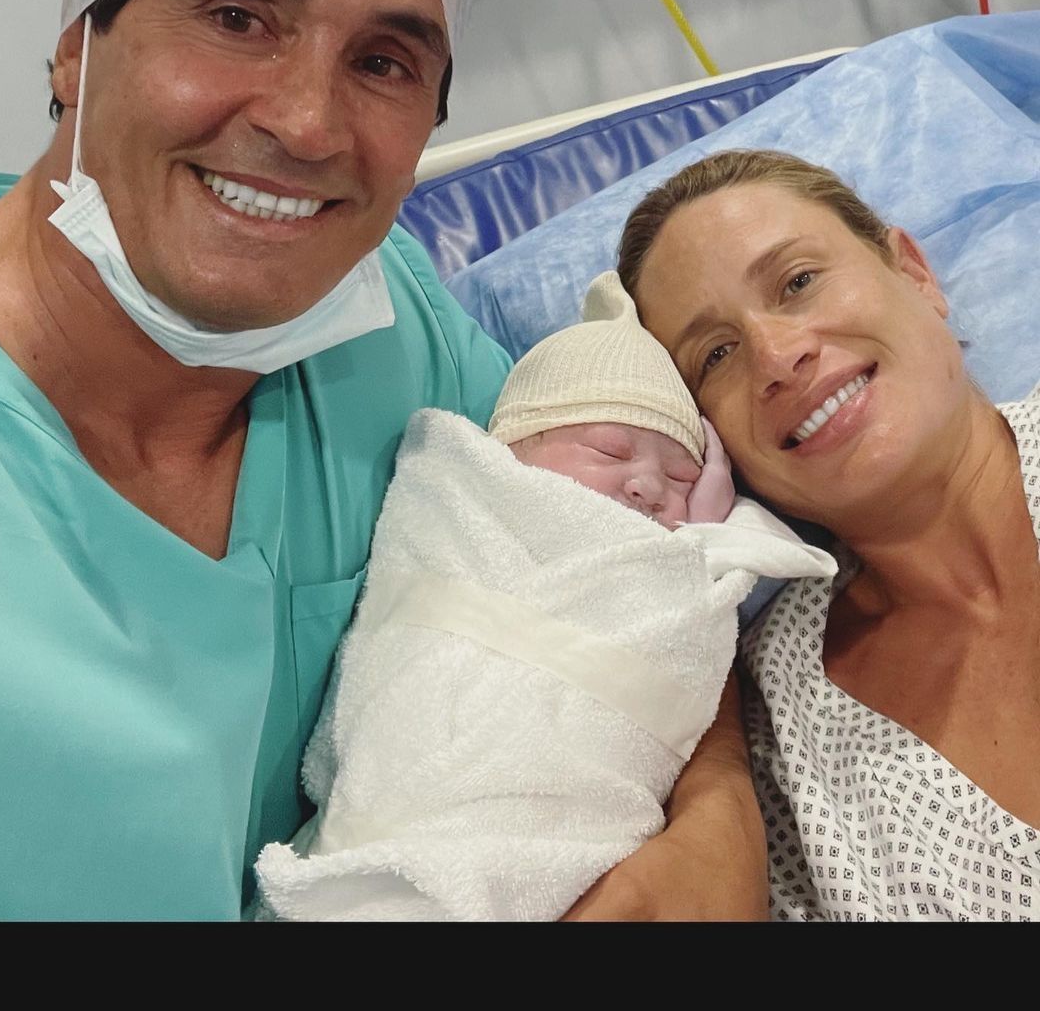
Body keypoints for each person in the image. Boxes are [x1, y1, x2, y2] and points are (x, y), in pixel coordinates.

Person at [0, 0, 765, 923]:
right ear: (82, 40)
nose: (305, 121)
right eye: (238, 16)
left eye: (383, 62)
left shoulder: (395, 330)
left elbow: (618, 571)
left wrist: (718, 811)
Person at [253, 271, 835, 920]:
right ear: (511, 451)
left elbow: (683, 640)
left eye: (680, 475)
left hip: (568, 853)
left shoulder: (679, 568)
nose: (647, 485)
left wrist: (699, 536)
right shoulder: (462, 503)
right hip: (396, 821)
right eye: (609, 451)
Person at [615, 147, 1040, 921]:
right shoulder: (774, 733)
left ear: (914, 273)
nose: (777, 358)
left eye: (798, 282)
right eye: (716, 355)